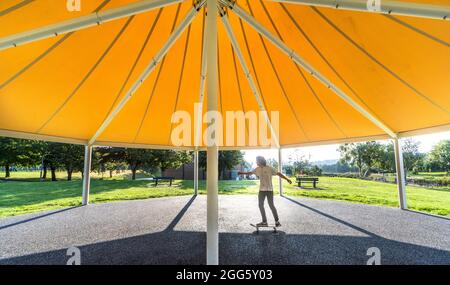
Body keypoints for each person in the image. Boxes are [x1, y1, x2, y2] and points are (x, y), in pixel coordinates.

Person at [238, 156, 292, 227]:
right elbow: (250, 173)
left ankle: (277, 221)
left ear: (260, 161)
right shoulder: (257, 169)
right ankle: (264, 222)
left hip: (269, 190)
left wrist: (287, 179)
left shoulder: (269, 168)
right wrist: (242, 173)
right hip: (261, 191)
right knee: (260, 205)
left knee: (271, 205)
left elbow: (278, 173)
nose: (256, 162)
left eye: (257, 161)